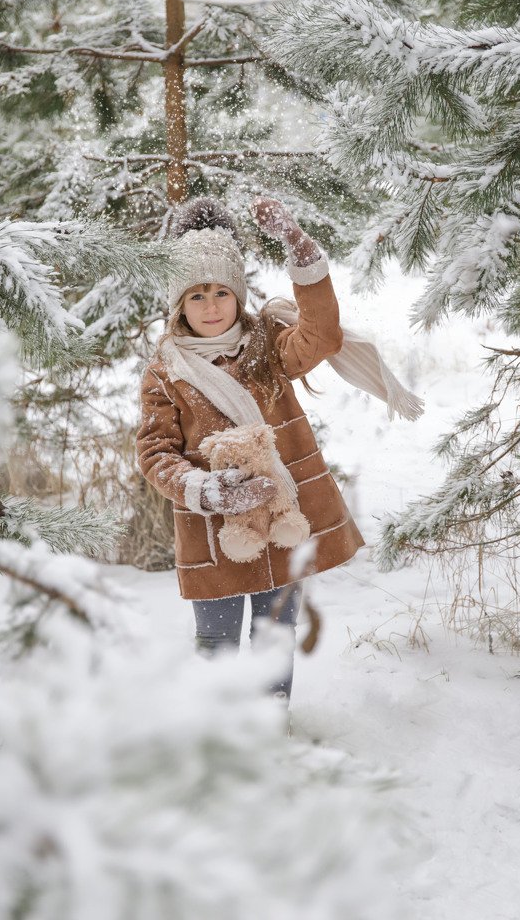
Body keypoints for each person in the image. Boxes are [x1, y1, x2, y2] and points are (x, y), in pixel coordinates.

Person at [136, 194, 368, 703]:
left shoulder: (268, 346)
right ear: (178, 305)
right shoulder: (166, 371)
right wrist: (204, 489)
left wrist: (298, 246)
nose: (211, 306)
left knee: (274, 644)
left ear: (238, 294)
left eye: (222, 292)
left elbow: (322, 336)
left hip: (283, 522)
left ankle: (270, 735)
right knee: (216, 650)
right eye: (197, 295)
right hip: (213, 533)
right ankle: (219, 741)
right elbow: (155, 453)